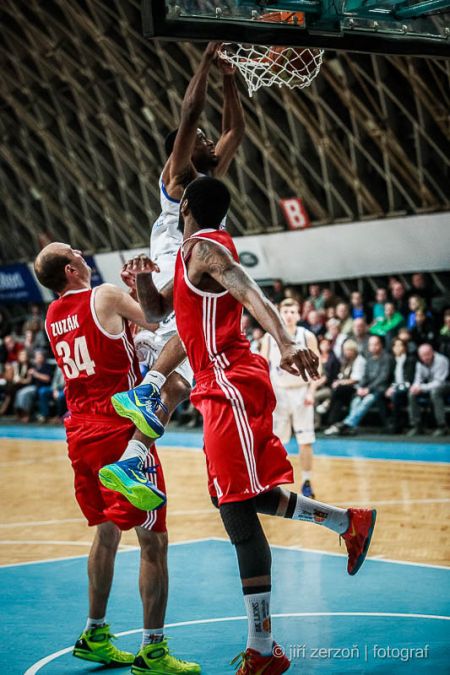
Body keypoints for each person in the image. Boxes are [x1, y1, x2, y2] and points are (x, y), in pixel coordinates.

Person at [115, 177, 377, 675]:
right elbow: (157, 313)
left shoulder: (208, 247)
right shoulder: (189, 253)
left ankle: (262, 648)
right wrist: (142, 278)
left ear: (185, 205)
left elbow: (245, 283)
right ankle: (349, 522)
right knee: (234, 496)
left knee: (235, 513)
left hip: (230, 384)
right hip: (219, 387)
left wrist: (283, 337)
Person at [34, 243, 199, 674]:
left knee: (106, 533)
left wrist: (133, 311)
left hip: (80, 432)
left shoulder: (52, 316)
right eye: (76, 253)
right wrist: (162, 281)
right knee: (153, 540)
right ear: (71, 269)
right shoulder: (103, 295)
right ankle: (154, 651)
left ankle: (95, 632)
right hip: (118, 428)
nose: (83, 254)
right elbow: (156, 315)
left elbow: (108, 335)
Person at [114, 40, 245, 447]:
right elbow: (190, 114)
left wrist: (229, 79)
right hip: (177, 259)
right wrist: (205, 62)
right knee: (187, 338)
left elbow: (234, 130)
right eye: (201, 140)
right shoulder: (176, 179)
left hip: (201, 259)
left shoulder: (208, 177)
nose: (209, 142)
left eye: (207, 139)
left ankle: (135, 453)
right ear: (182, 151)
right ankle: (145, 385)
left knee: (184, 375)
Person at [260, 298, 321, 498]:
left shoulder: (307, 336)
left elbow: (317, 368)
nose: (289, 315)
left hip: (302, 393)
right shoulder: (269, 338)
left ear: (298, 314)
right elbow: (261, 366)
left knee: (306, 440)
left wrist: (312, 392)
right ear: (279, 313)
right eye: (285, 311)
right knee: (276, 441)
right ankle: (272, 481)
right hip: (279, 392)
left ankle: (307, 480)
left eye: (293, 312)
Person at [325, 335, 392, 436]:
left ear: (381, 345)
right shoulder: (369, 358)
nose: (373, 347)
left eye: (376, 344)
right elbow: (364, 376)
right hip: (366, 388)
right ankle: (352, 427)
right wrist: (361, 387)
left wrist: (368, 389)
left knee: (367, 400)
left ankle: (345, 424)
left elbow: (383, 377)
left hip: (379, 389)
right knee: (356, 400)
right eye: (371, 344)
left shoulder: (387, 358)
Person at [318, 340, 366, 427]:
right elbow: (342, 375)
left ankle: (327, 404)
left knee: (338, 390)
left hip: (357, 388)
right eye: (345, 350)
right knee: (338, 400)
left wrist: (340, 382)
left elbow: (355, 380)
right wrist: (339, 381)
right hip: (345, 388)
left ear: (354, 350)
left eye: (348, 350)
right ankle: (332, 423)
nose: (346, 352)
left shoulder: (359, 361)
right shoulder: (346, 361)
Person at [408, 343, 449, 437]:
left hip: (445, 385)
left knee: (435, 393)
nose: (425, 357)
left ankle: (442, 426)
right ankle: (417, 426)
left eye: (427, 354)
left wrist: (421, 388)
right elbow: (418, 379)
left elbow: (439, 382)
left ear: (432, 352)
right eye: (422, 355)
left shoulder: (441, 360)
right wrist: (415, 387)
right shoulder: (420, 362)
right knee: (412, 394)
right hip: (428, 385)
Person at [385, 337, 417, 433]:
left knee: (395, 395)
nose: (397, 348)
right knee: (381, 393)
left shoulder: (410, 360)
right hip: (397, 388)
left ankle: (396, 425)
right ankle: (388, 424)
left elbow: (409, 381)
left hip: (408, 387)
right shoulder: (393, 361)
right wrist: (391, 387)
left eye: (400, 345)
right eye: (395, 345)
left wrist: (393, 388)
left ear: (405, 347)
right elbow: (391, 379)